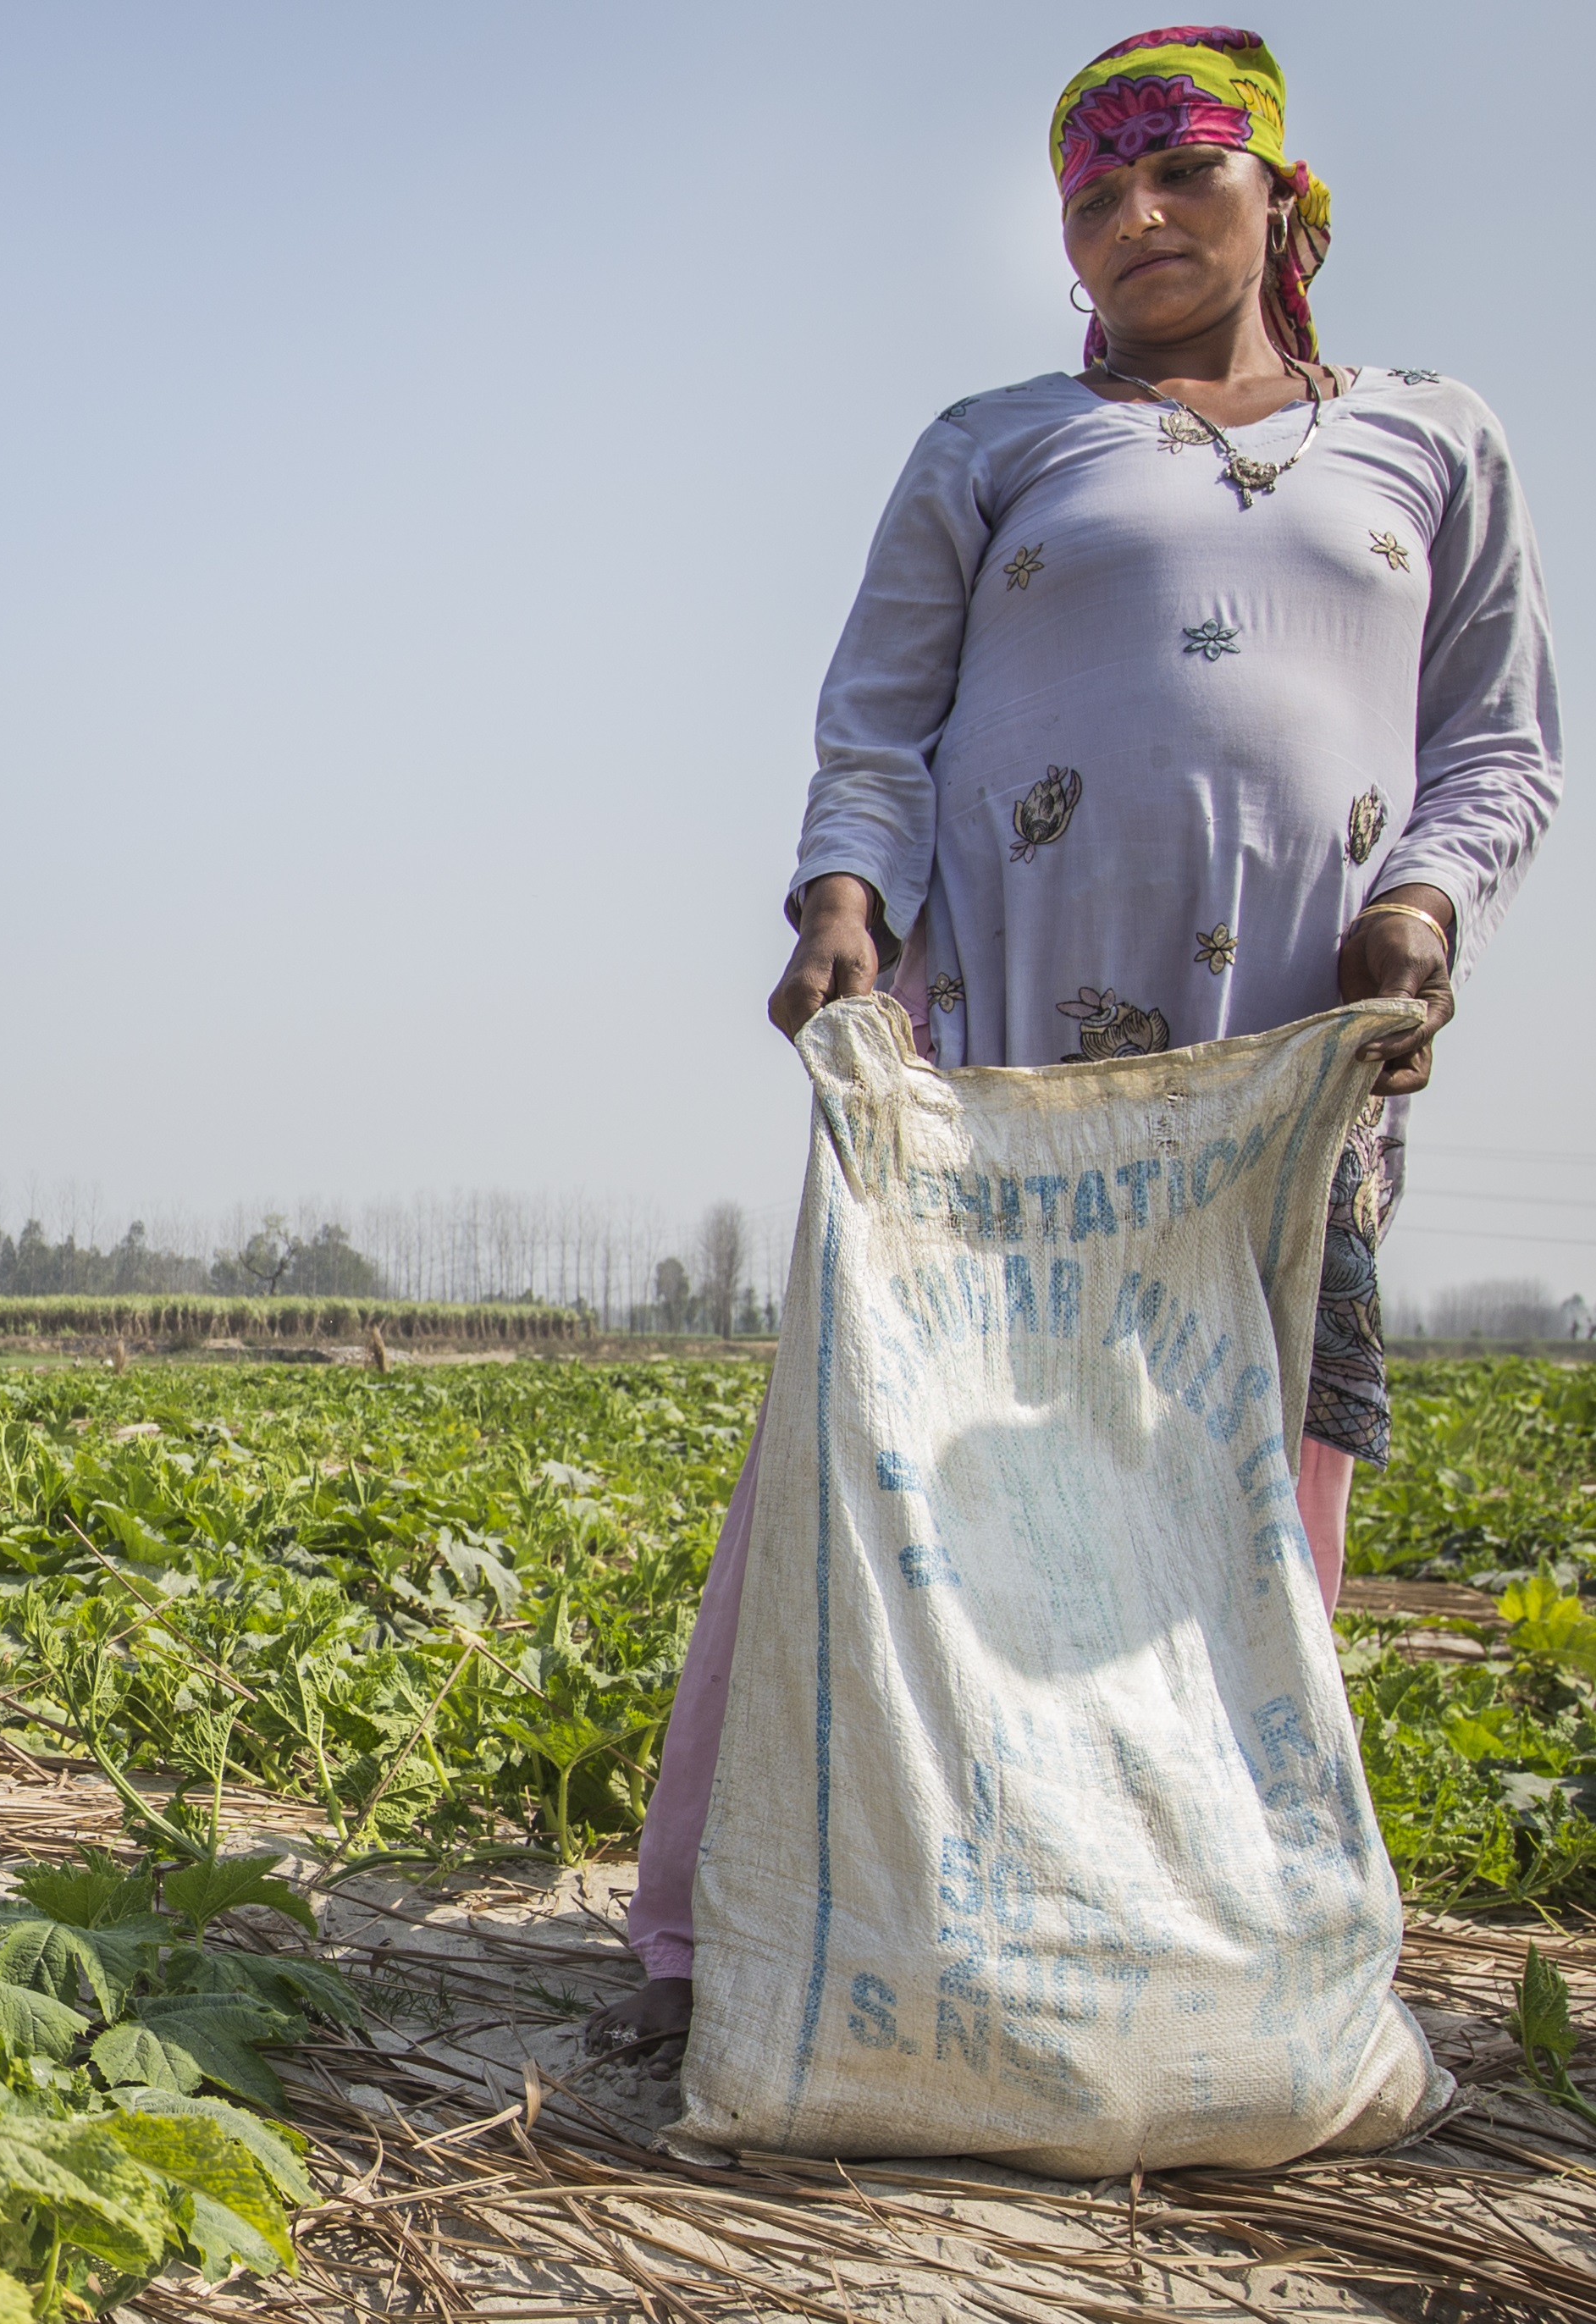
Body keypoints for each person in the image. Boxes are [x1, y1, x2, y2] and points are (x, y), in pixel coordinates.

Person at [588, 26, 1560, 2057]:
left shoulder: (1428, 439)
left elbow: (1496, 748)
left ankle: (1191, 1959)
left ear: (1276, 199)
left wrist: (1418, 909)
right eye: (1091, 196)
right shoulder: (989, 443)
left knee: (1228, 1497)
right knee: (896, 1478)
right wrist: (837, 908)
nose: (1132, 220)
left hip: (1278, 1055)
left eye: (1176, 177)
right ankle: (732, 1942)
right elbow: (871, 731)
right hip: (997, 1048)